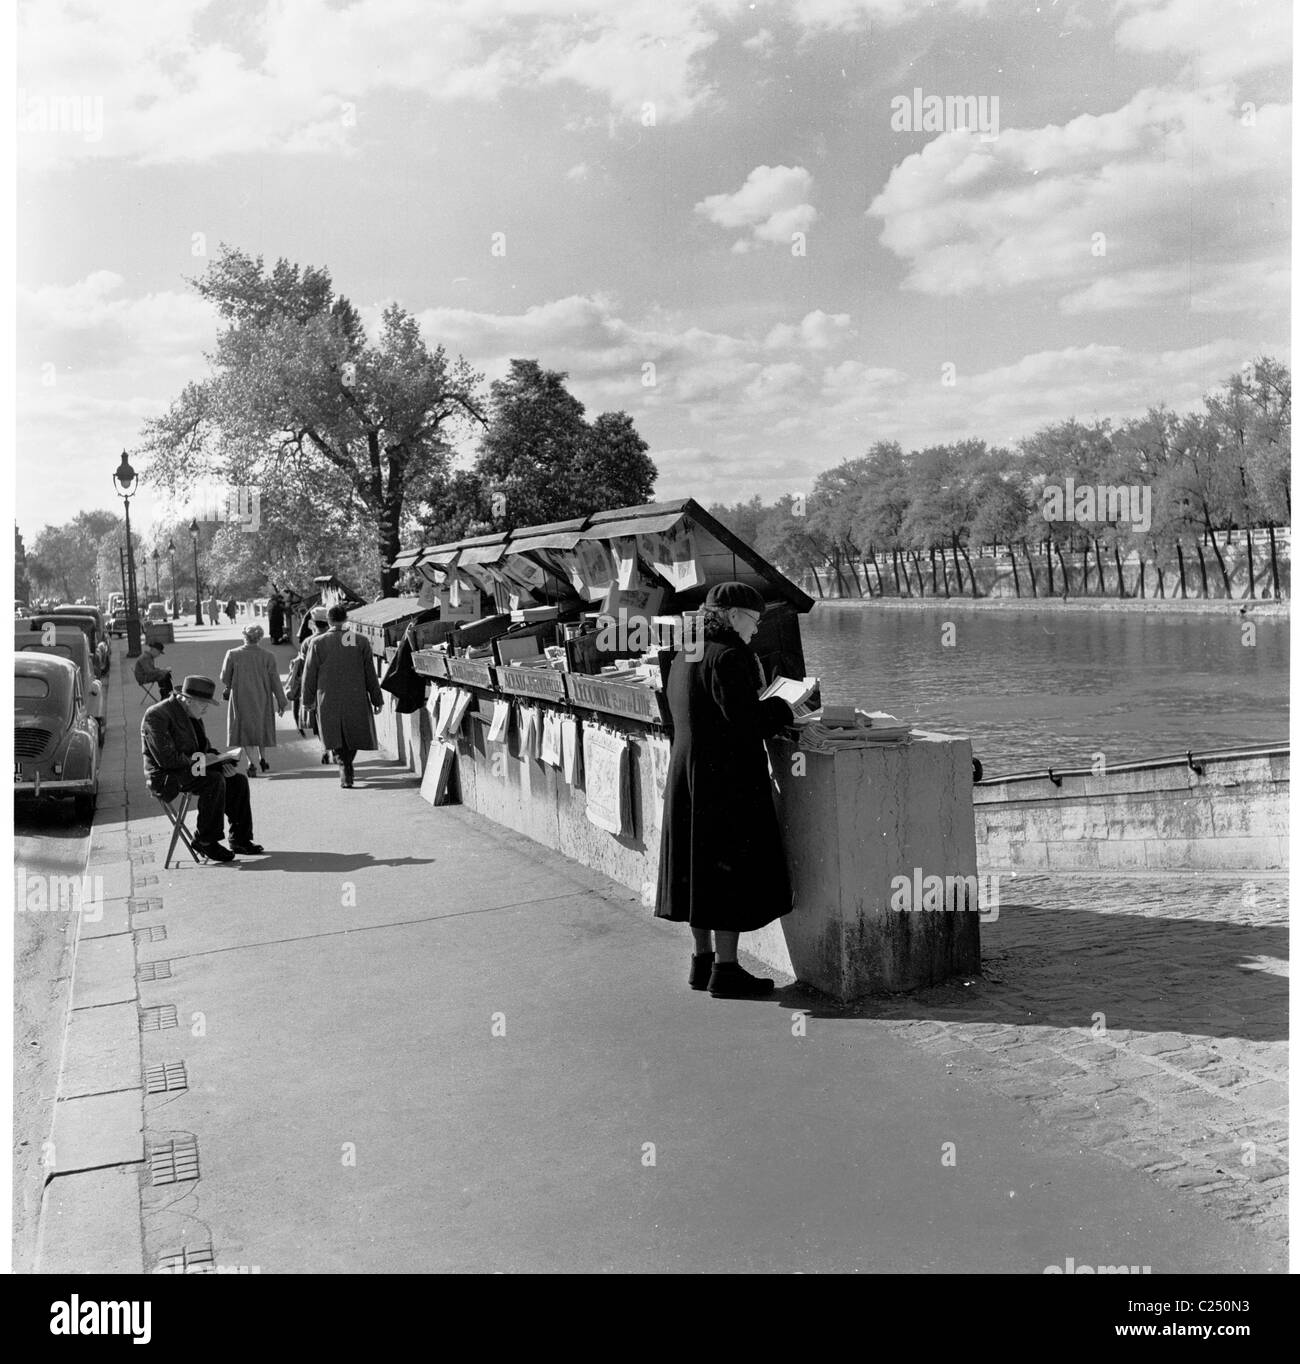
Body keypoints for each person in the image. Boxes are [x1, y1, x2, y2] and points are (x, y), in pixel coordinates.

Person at [654, 582, 796, 999]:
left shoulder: (687, 651)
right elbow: (746, 723)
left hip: (686, 774)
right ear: (734, 616)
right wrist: (786, 706)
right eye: (754, 620)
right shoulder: (730, 655)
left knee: (698, 873)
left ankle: (701, 962)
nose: (756, 629)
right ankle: (727, 969)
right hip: (723, 782)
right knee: (725, 874)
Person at [141, 674, 264, 862]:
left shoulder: (192, 713)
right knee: (213, 781)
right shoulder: (157, 714)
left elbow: (203, 748)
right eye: (203, 703)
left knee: (237, 780)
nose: (206, 708)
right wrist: (203, 760)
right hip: (167, 777)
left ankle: (240, 838)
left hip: (191, 768)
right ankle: (206, 840)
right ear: (187, 699)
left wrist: (222, 761)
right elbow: (167, 759)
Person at [302, 605, 384, 788]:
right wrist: (377, 699)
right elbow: (370, 673)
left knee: (335, 735)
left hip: (327, 697)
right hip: (355, 697)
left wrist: (307, 701)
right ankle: (347, 765)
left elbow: (309, 675)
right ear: (346, 619)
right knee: (352, 734)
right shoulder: (360, 641)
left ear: (329, 620)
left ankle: (344, 766)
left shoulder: (317, 643)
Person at [220, 624, 288, 777]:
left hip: (240, 696)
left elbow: (224, 677)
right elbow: (275, 680)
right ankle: (263, 758)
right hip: (262, 696)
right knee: (261, 727)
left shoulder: (232, 654)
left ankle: (252, 764)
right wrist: (281, 701)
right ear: (259, 638)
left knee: (245, 731)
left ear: (244, 637)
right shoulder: (268, 656)